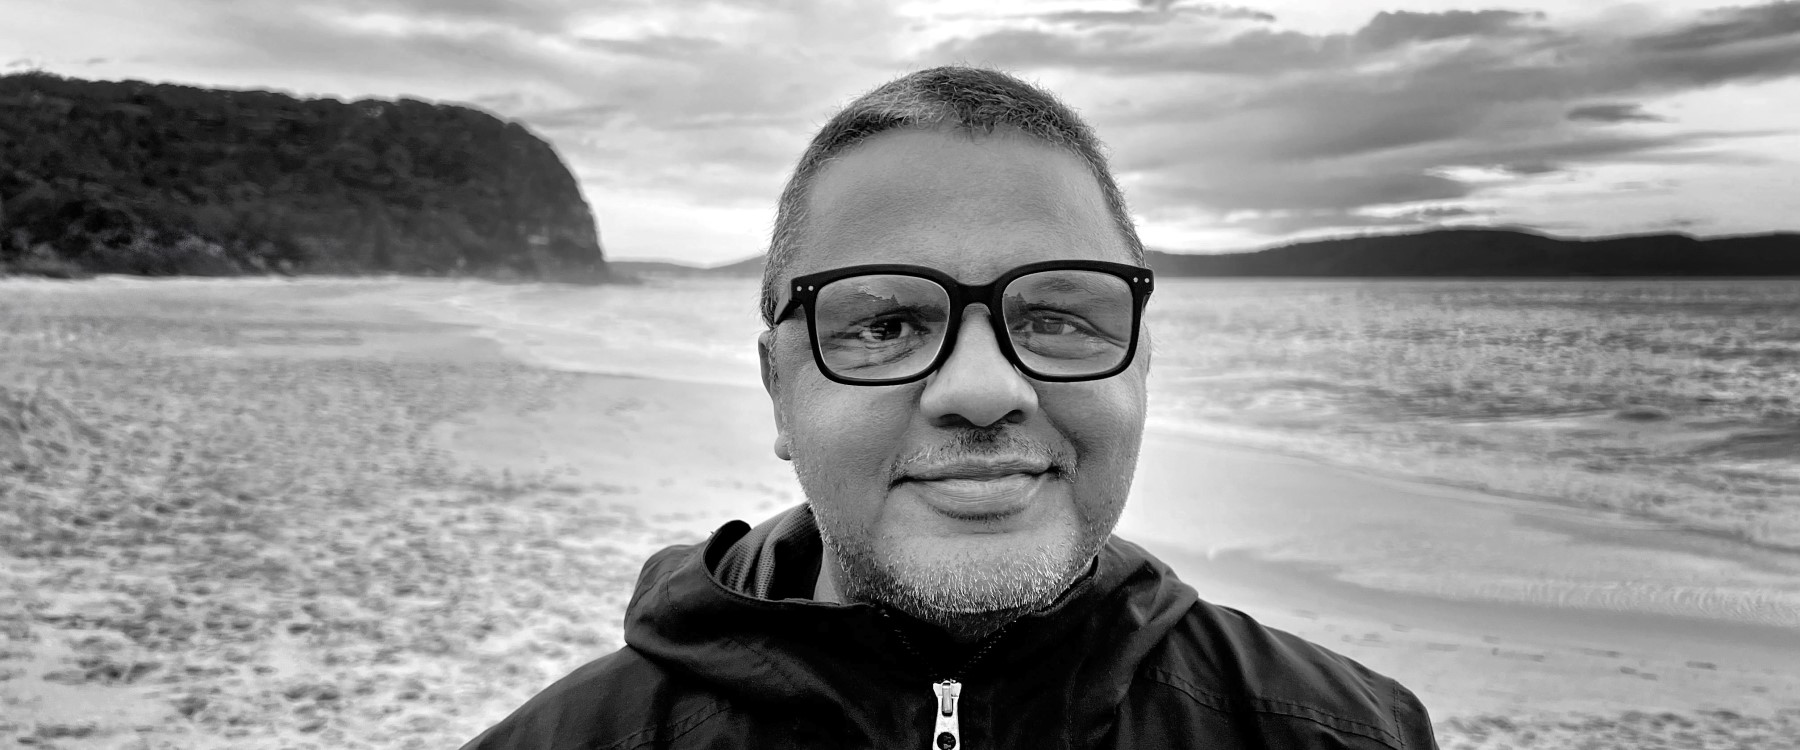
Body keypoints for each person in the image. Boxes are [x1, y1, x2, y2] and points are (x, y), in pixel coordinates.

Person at [461, 66, 1439, 750]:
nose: (983, 391)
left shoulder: (1340, 732)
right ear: (778, 388)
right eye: (884, 323)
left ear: (1139, 365)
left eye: (1060, 314)